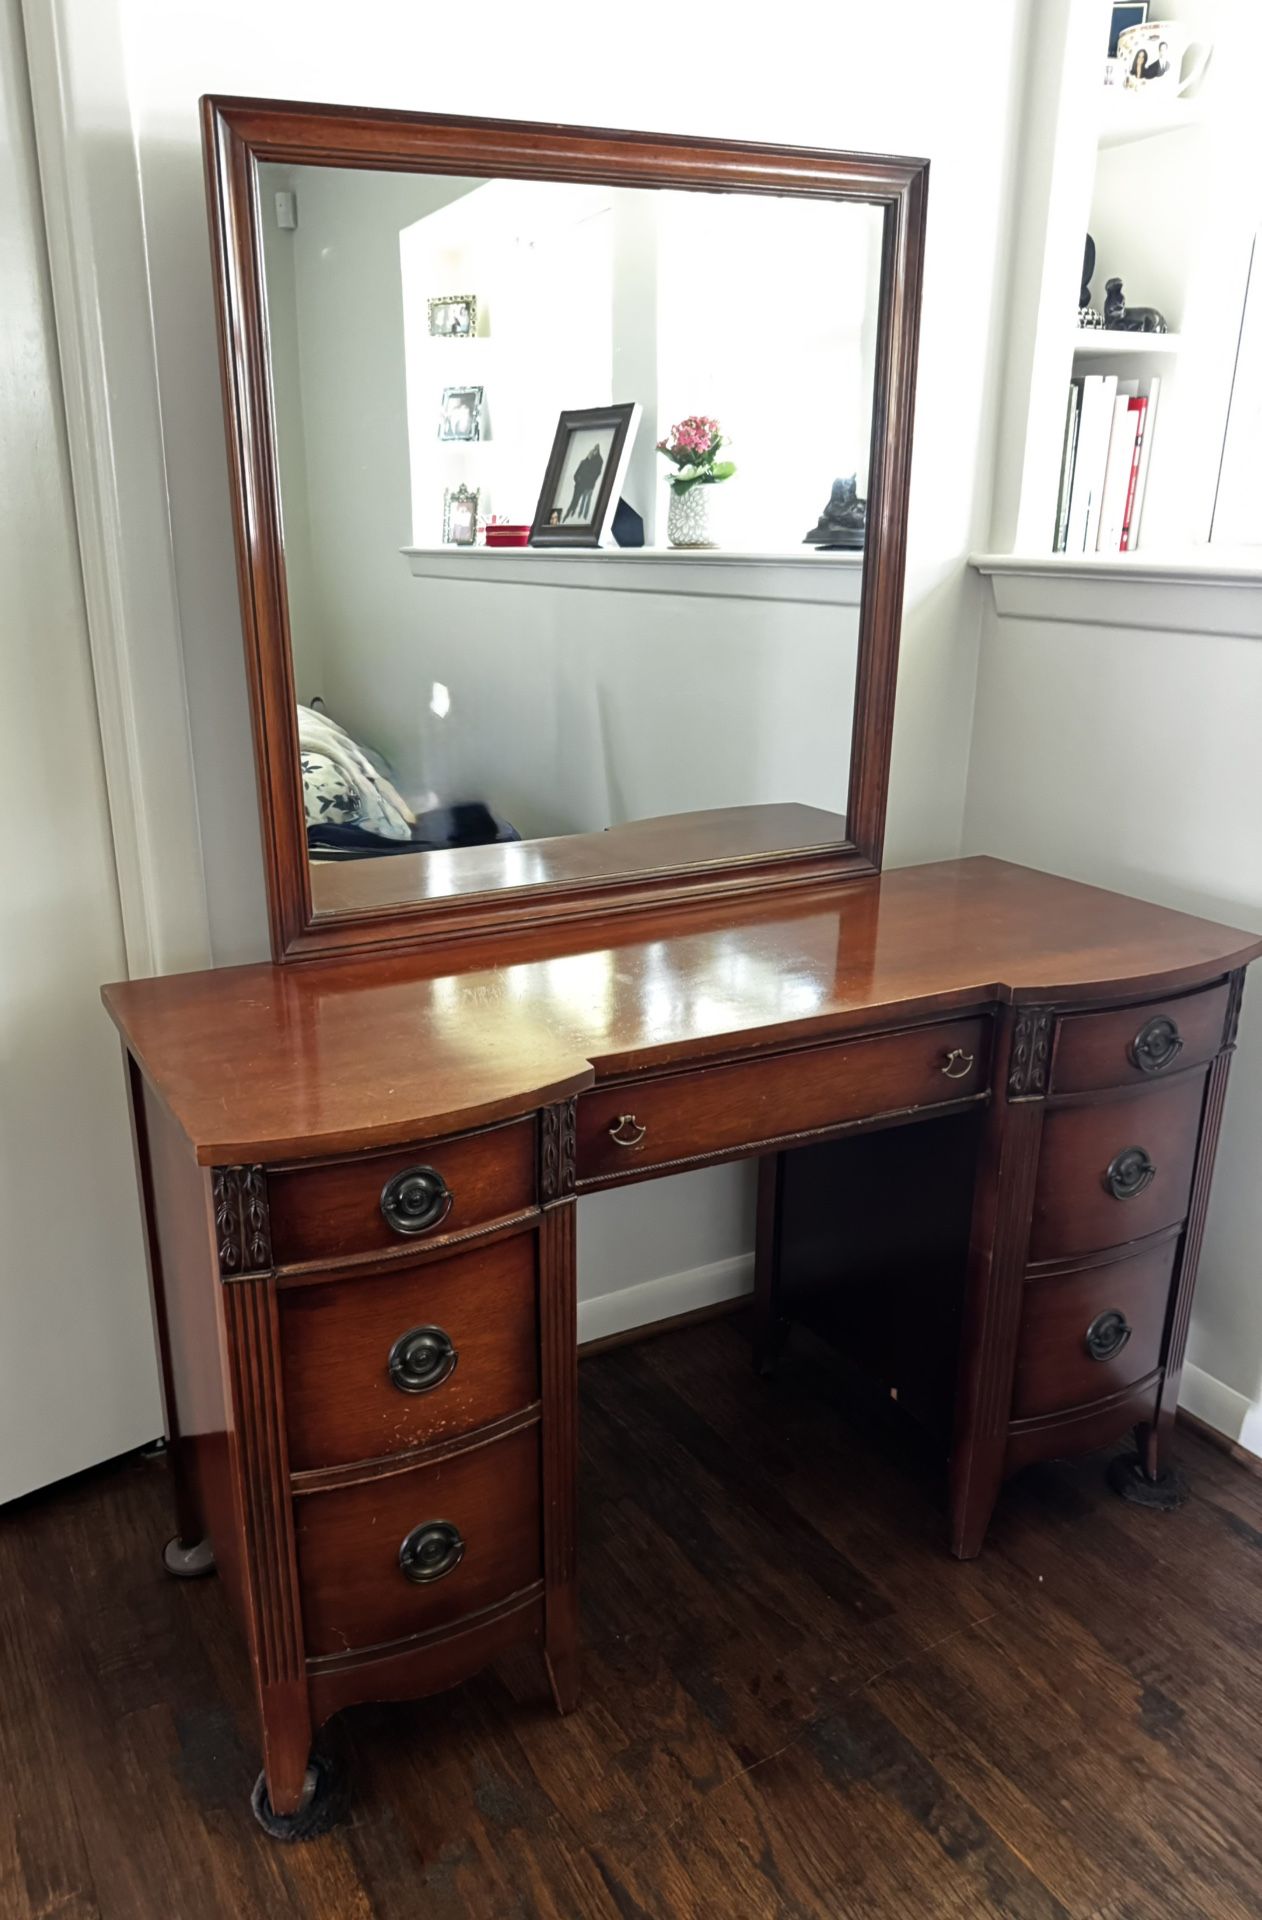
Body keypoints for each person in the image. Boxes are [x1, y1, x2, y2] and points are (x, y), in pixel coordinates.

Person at [565, 441, 604, 520]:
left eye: (595, 450)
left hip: (588, 484)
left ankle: (583, 515)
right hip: (580, 484)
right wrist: (578, 479)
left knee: (586, 499)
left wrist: (590, 480)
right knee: (578, 499)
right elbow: (577, 473)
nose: (593, 452)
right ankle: (575, 513)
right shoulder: (584, 462)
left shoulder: (598, 461)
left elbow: (596, 473)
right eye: (593, 451)